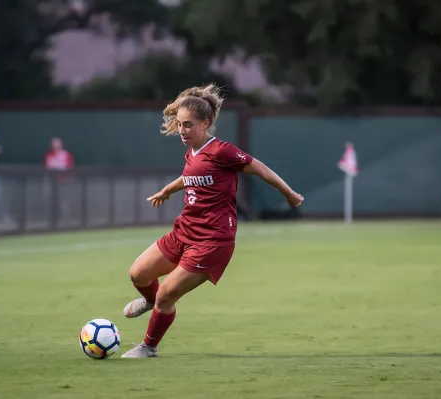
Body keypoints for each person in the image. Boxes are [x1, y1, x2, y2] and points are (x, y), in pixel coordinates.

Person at [120, 84, 304, 359]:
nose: (182, 130)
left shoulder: (222, 151)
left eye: (188, 125)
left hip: (212, 241)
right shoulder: (192, 152)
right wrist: (168, 190)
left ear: (205, 123)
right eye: (179, 124)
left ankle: (148, 346)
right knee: (138, 273)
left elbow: (261, 169)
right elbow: (191, 176)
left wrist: (289, 194)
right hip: (184, 231)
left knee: (167, 294)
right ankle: (150, 300)